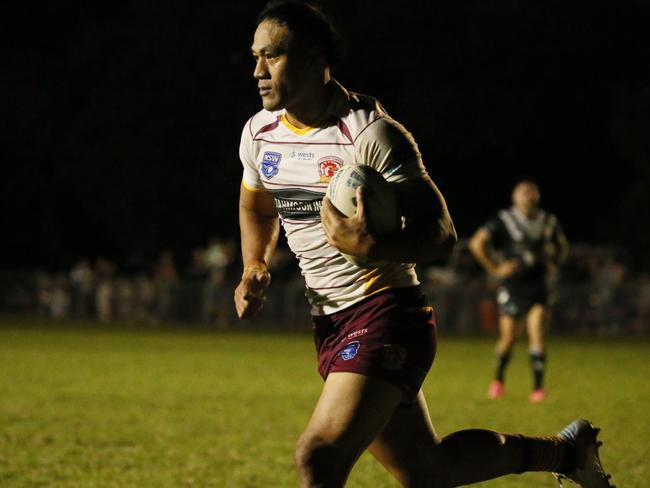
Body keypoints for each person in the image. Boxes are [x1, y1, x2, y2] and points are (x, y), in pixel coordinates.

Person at [234, 2, 613, 487]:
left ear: (313, 59)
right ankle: (567, 454)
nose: (258, 71)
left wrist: (372, 245)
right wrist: (253, 265)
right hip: (328, 321)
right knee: (427, 469)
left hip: (386, 314)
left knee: (319, 457)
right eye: (255, 57)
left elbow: (442, 236)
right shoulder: (258, 134)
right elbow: (257, 206)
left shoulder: (372, 134)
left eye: (273, 56)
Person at [469, 180, 570, 403]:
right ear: (515, 197)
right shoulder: (504, 220)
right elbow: (477, 243)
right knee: (509, 338)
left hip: (538, 284)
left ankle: (538, 389)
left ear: (538, 196)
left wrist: (556, 261)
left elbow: (562, 246)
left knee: (537, 332)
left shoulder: (548, 221)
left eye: (532, 191)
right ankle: (498, 381)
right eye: (523, 191)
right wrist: (495, 269)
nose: (528, 195)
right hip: (513, 285)